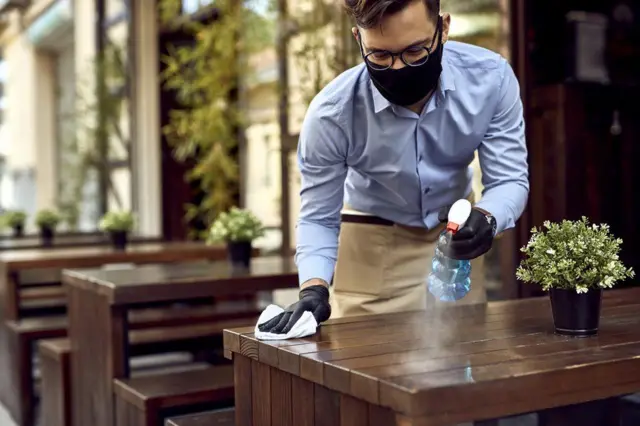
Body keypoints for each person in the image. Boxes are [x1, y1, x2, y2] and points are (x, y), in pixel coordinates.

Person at [259, 0, 529, 334]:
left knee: (461, 365)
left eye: (415, 51)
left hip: (456, 242)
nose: (399, 69)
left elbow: (510, 180)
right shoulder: (332, 114)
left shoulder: (491, 80)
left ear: (443, 28)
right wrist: (314, 286)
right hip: (372, 248)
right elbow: (317, 216)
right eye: (381, 56)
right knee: (363, 372)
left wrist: (487, 218)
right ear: (358, 39)